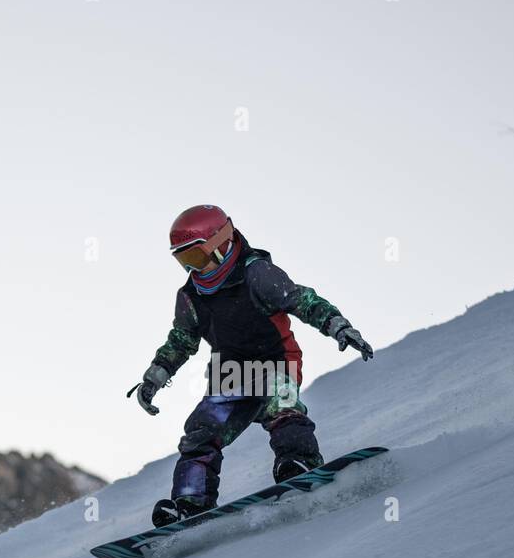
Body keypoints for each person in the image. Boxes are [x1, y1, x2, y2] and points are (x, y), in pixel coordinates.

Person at [129, 204, 374, 527]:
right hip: (230, 374)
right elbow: (181, 340)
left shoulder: (256, 273)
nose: (195, 269)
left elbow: (301, 300)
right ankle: (191, 501)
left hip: (276, 360)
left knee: (280, 405)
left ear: (221, 243)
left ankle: (298, 462)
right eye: (185, 262)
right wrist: (155, 377)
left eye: (198, 258)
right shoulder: (191, 296)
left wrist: (338, 326)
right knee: (202, 431)